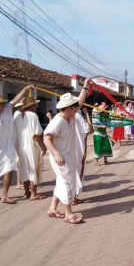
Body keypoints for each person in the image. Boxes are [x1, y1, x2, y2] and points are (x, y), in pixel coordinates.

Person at [0, 86, 33, 204]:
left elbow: (17, 98)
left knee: (9, 170)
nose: (3, 105)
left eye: (3, 103)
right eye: (0, 104)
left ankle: (5, 195)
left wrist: (25, 90)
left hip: (7, 146)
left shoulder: (7, 109)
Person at [44, 93, 84, 224]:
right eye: (75, 107)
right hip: (60, 159)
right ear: (68, 108)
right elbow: (47, 139)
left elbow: (80, 102)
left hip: (68, 157)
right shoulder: (57, 121)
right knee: (67, 183)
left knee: (61, 182)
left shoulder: (70, 117)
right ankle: (68, 213)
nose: (78, 109)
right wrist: (57, 154)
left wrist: (85, 87)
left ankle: (52, 209)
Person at [13, 96, 47, 201]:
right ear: (31, 106)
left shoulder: (16, 115)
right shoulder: (33, 115)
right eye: (35, 105)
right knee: (34, 169)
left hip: (20, 146)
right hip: (32, 145)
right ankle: (33, 193)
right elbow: (37, 133)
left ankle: (26, 192)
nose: (36, 107)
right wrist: (42, 146)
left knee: (24, 170)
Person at [73, 79, 94, 205]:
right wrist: (87, 116)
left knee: (71, 174)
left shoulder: (65, 116)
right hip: (78, 149)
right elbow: (90, 130)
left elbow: (80, 101)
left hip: (68, 150)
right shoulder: (77, 116)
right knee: (77, 173)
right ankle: (74, 198)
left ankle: (72, 198)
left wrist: (85, 86)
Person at [92, 102, 113, 166]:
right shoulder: (96, 116)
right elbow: (94, 125)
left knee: (106, 146)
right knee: (98, 147)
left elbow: (107, 123)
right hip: (98, 133)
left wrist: (108, 124)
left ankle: (105, 160)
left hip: (104, 133)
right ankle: (96, 161)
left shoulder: (104, 116)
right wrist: (101, 126)